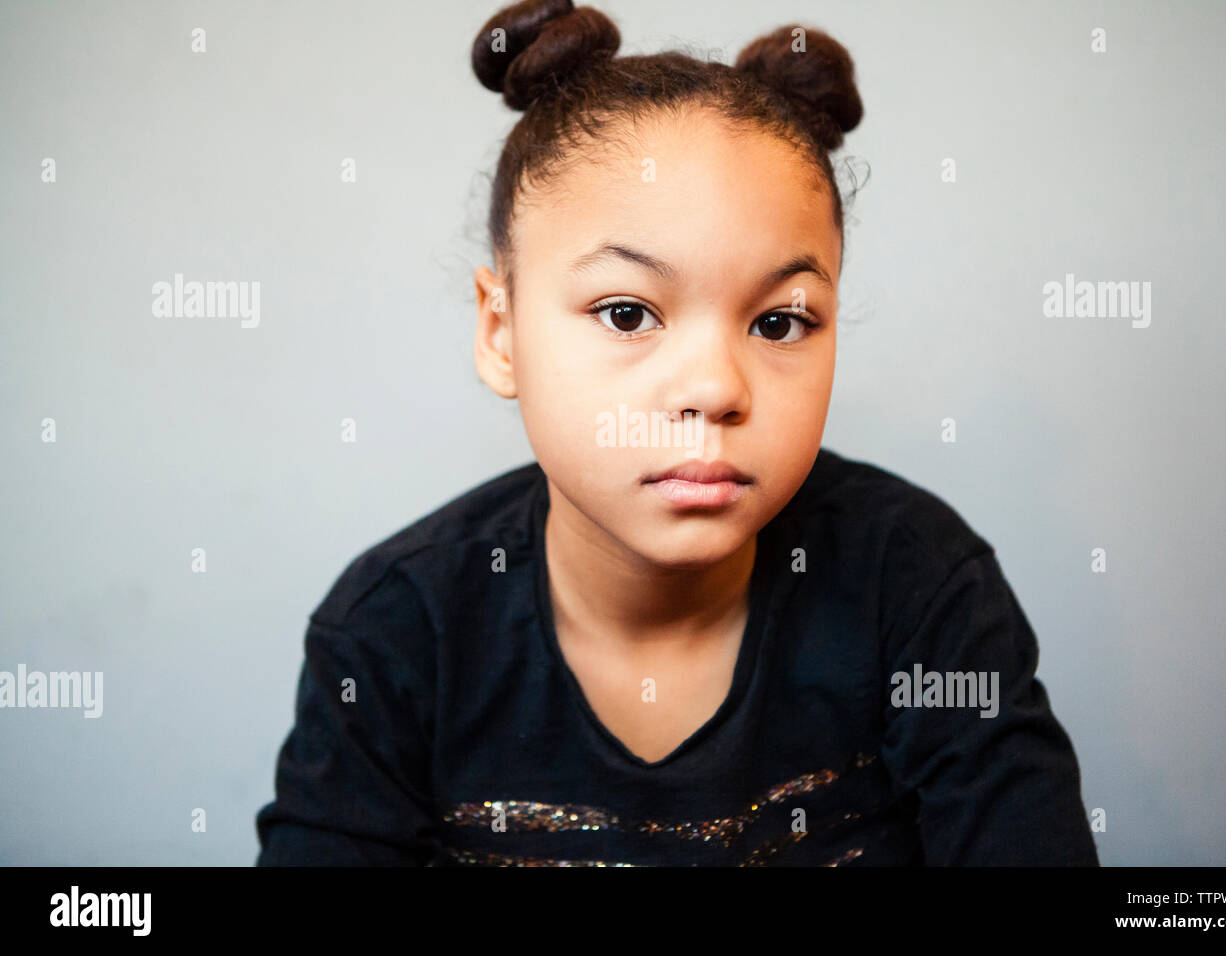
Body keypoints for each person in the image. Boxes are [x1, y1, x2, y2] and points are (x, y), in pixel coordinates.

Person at [254, 0, 1099, 866]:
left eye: (779, 324)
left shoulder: (915, 586)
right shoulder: (396, 634)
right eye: (627, 313)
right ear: (500, 332)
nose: (716, 388)